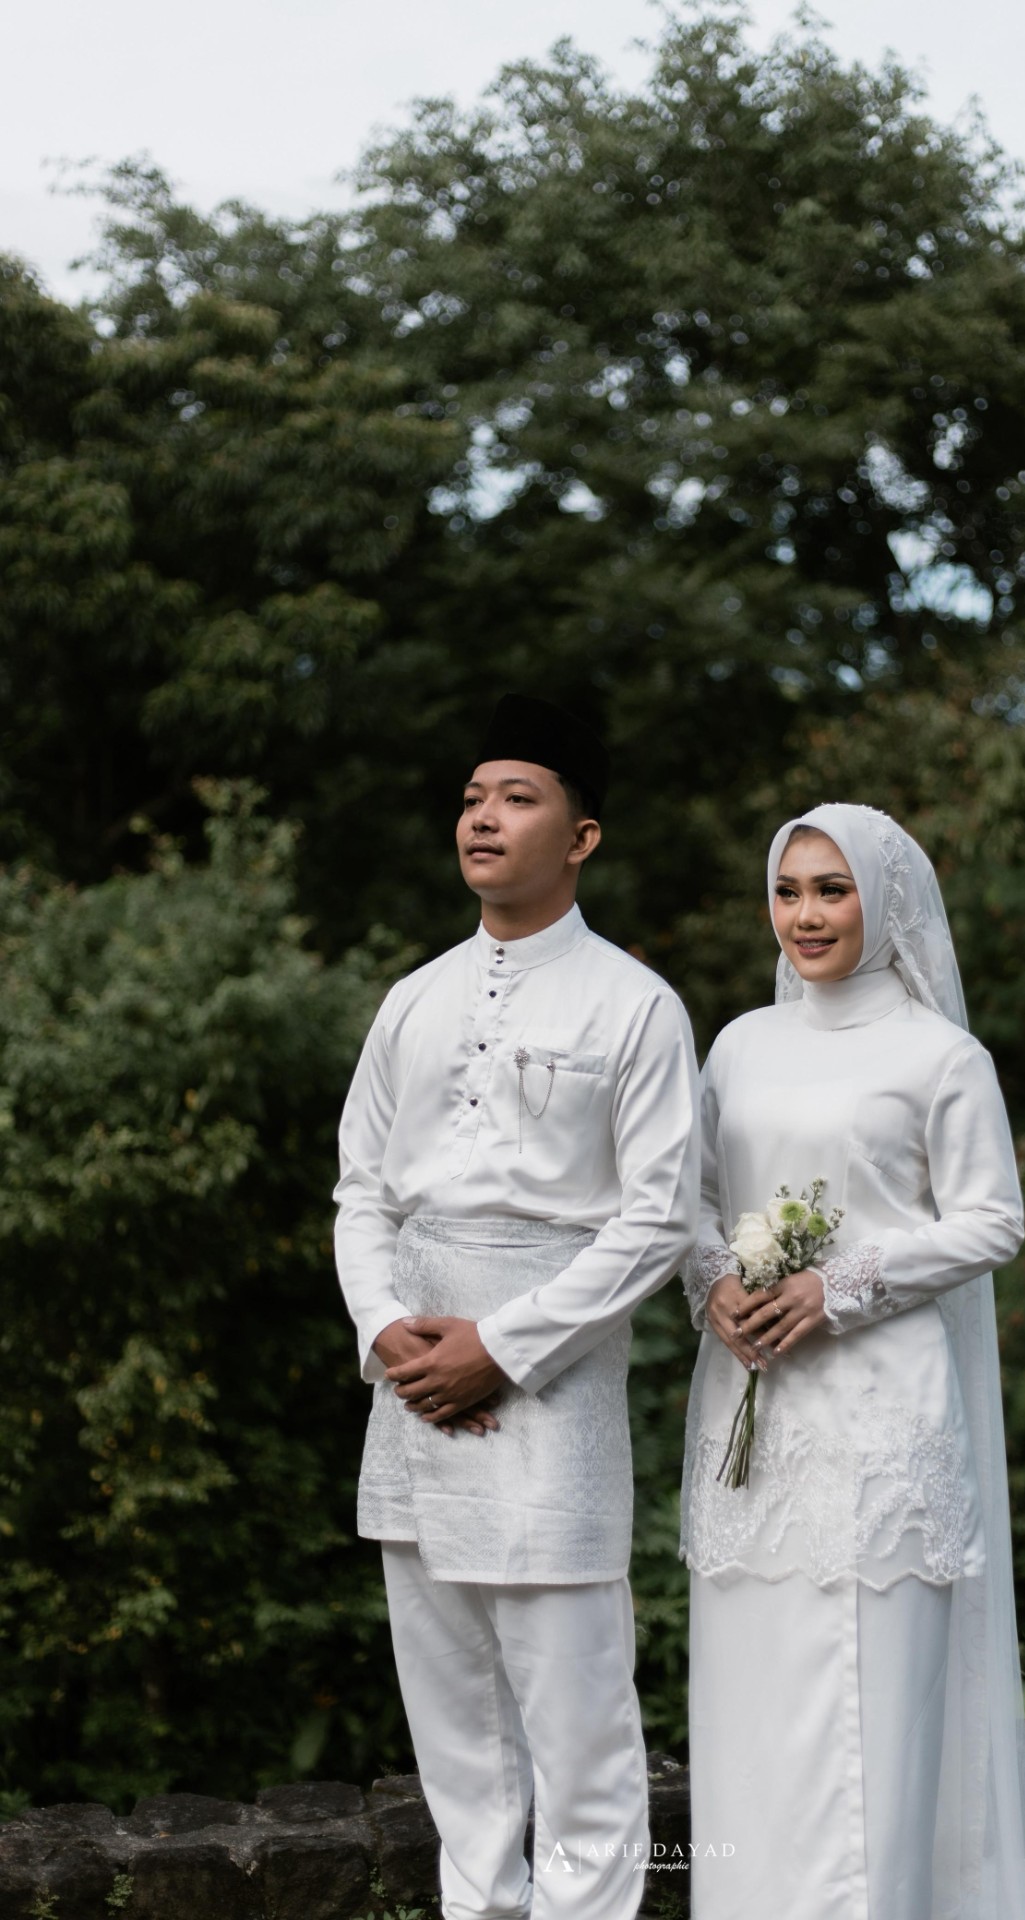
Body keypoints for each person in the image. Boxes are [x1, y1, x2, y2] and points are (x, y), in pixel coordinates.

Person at [679, 803, 1025, 1920]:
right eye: (787, 890)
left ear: (884, 901)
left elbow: (991, 1220)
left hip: (883, 1409)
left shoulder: (939, 1054)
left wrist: (838, 1286)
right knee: (754, 1669)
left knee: (871, 1690)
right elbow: (694, 1201)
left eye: (832, 890)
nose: (805, 914)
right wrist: (716, 1279)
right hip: (753, 1398)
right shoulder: (736, 1044)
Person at [333, 693, 699, 1920]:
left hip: (551, 1379)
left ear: (581, 835)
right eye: (472, 798)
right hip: (410, 1384)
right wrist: (387, 1333)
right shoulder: (413, 998)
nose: (482, 817)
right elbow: (361, 1191)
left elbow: (656, 1219)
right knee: (452, 1728)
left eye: (517, 797)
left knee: (577, 1718)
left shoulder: (634, 1005)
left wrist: (498, 1346)